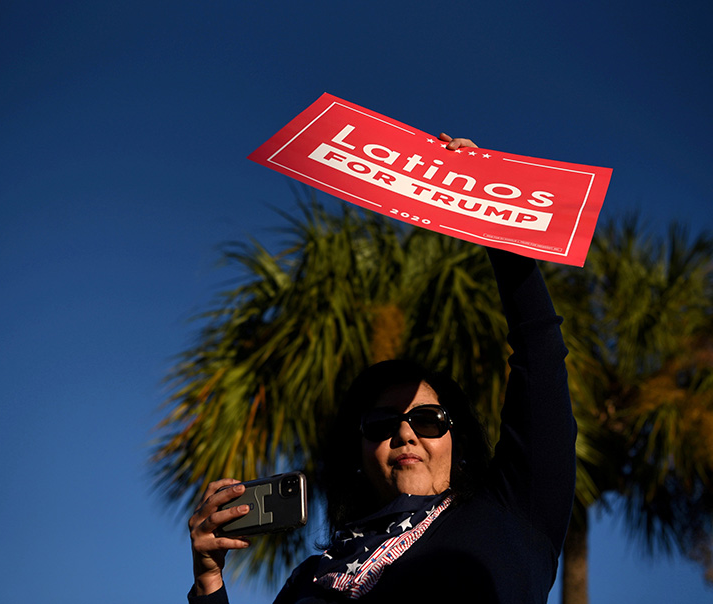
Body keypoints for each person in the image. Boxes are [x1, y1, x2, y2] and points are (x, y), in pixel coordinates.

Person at [187, 135, 578, 603]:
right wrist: (209, 582)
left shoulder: (512, 514)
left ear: (458, 439)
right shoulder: (311, 577)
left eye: (429, 420)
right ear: (358, 451)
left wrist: (486, 211)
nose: (406, 435)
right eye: (382, 424)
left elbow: (540, 355)